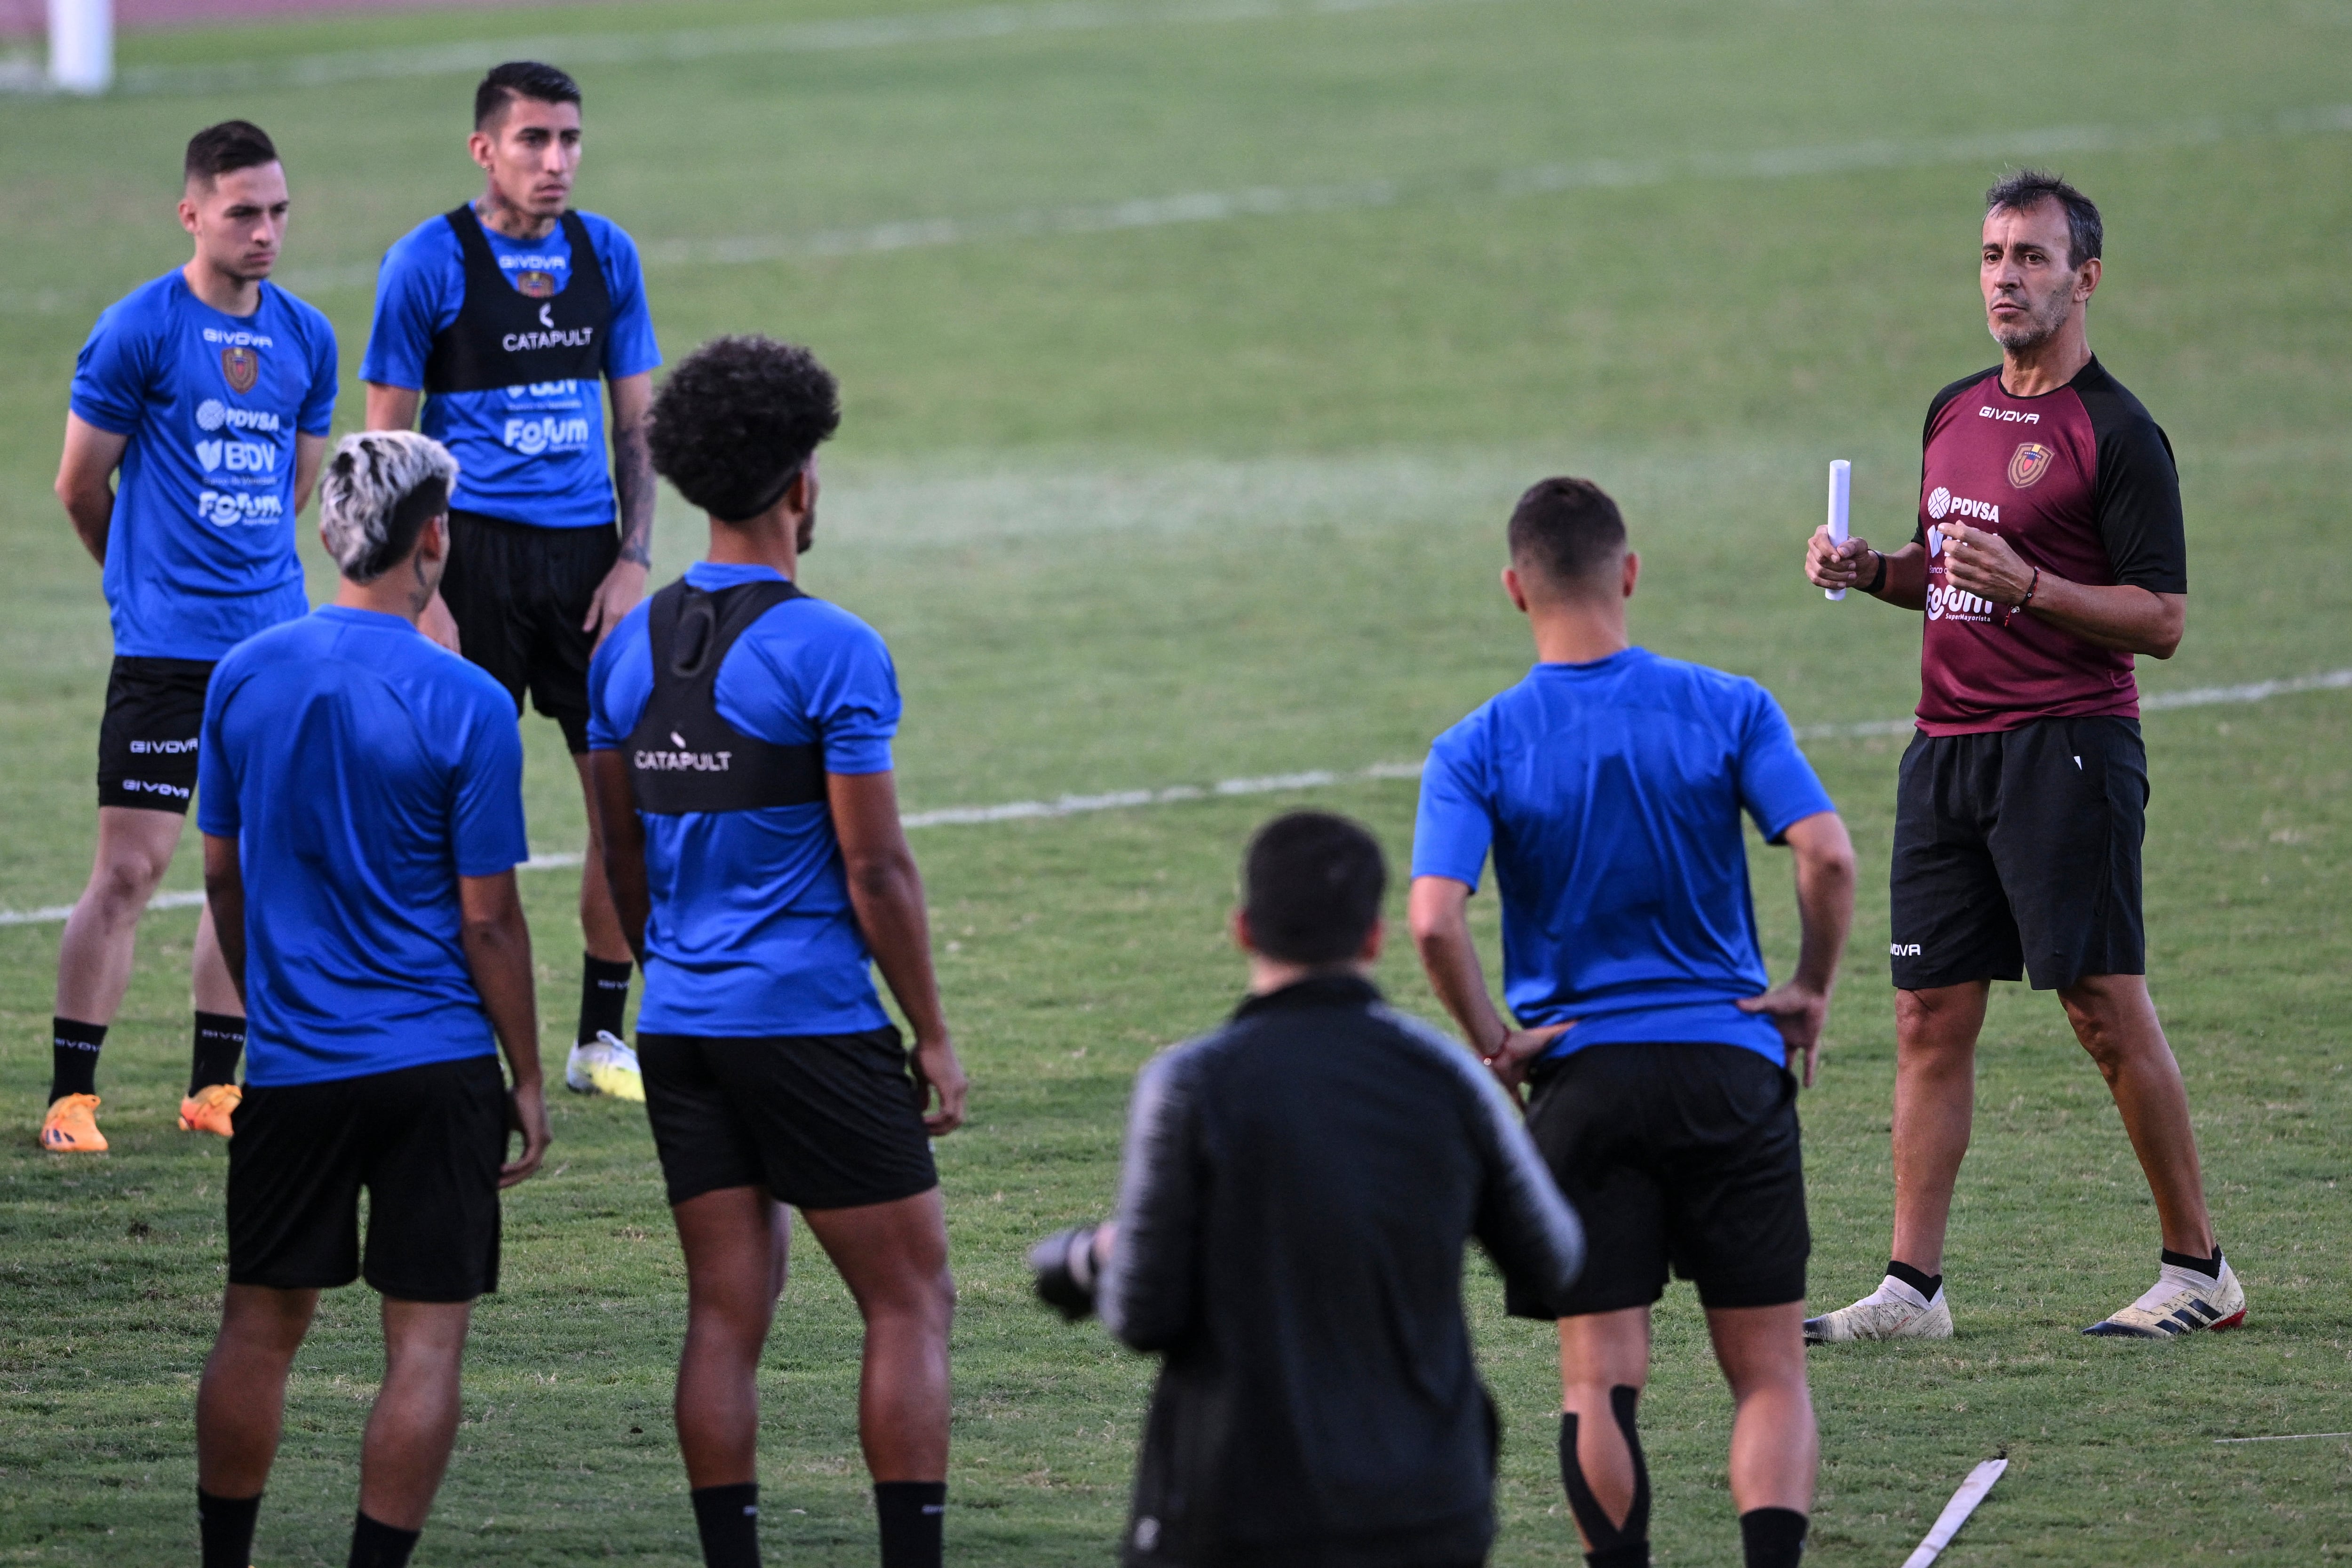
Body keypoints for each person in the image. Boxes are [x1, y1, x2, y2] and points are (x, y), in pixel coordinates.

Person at [1803, 170, 2237, 1342]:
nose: (2007, 277)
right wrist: (1869, 570)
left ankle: (2199, 1268)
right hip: (1945, 750)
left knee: (2101, 1006)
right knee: (1924, 1015)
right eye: (1994, 255)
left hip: (2070, 748)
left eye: (2033, 258)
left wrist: (2035, 584)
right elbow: (1941, 574)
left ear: (2084, 277)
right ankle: (1913, 1290)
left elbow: (2162, 619)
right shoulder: (1952, 409)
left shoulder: (2119, 432)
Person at [1410, 478, 1855, 1568]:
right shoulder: (1727, 704)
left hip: (1580, 1083)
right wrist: (1807, 986)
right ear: (1630, 572)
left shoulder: (1476, 743)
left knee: (1597, 1374)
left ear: (1515, 588)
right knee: (1766, 1372)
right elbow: (1829, 852)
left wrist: (1494, 1040)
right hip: (1729, 1065)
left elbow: (1431, 918)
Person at [587, 335, 966, 1568]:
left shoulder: (623, 647)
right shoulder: (833, 648)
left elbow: (618, 856)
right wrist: (934, 1029)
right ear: (801, 482)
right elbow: (875, 868)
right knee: (909, 1299)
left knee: (725, 1312)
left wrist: (671, 966)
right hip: (806, 1017)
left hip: (681, 1022)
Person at [1030, 810, 1586, 1568]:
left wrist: (1095, 1255)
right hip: (1426, 1502)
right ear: (1373, 937)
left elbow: (1142, 1312)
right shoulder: (1450, 1076)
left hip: (1237, 1506)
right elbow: (1555, 1260)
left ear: (1243, 929)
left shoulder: (1190, 1083)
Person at [190, 430, 552, 1568]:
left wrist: (271, 1004)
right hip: (436, 1065)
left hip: (293, 1068)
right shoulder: (470, 699)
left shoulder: (244, 673)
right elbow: (487, 917)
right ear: (433, 534)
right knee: (424, 1344)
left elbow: (220, 873)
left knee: (257, 1324)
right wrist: (529, 1074)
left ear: (331, 530)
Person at [362, 59, 662, 1102]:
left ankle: (597, 1037)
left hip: (587, 563)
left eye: (569, 140)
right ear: (484, 148)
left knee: (624, 802)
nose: (556, 160)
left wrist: (634, 557)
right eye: (534, 140)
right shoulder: (427, 263)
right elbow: (382, 447)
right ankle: (457, 1036)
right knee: (448, 813)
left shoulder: (605, 253)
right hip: (470, 559)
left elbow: (637, 422)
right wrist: (420, 590)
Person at [41, 120, 338, 1154]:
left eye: (278, 211)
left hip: (271, 648)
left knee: (250, 870)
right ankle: (71, 1094)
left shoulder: (307, 335)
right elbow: (81, 486)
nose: (265, 231)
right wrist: (138, 582)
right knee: (128, 872)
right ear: (193, 214)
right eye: (243, 212)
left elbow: (295, 488)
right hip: (166, 651)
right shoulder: (138, 328)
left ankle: (216, 1086)